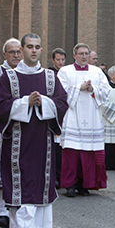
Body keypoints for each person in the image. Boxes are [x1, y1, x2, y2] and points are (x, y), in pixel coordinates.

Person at [0, 33, 68, 228]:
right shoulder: (9, 77)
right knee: (20, 182)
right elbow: (0, 106)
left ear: (41, 50)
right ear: (22, 50)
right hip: (16, 141)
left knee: (37, 182)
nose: (33, 50)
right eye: (29, 47)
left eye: (37, 47)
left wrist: (43, 102)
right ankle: (22, 227)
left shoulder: (51, 77)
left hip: (42, 141)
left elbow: (62, 102)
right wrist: (26, 102)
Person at [58, 43, 111, 197]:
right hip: (73, 116)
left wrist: (93, 89)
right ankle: (70, 185)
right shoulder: (65, 71)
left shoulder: (97, 72)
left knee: (89, 153)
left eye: (86, 54)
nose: (83, 56)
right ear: (74, 55)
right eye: (80, 53)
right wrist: (78, 87)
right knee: (71, 153)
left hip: (92, 116)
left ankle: (85, 184)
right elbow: (59, 91)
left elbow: (106, 90)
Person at [0, 38, 22, 228]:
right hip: (2, 127)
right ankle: (3, 211)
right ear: (5, 55)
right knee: (3, 169)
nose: (16, 55)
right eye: (12, 52)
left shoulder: (29, 72)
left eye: (19, 52)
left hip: (26, 129)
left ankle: (21, 213)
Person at [48, 48, 67, 188]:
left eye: (62, 60)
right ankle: (53, 176)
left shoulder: (67, 73)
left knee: (63, 149)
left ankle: (62, 176)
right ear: (53, 60)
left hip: (66, 114)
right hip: (54, 113)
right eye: (58, 60)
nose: (60, 62)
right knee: (54, 149)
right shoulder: (49, 75)